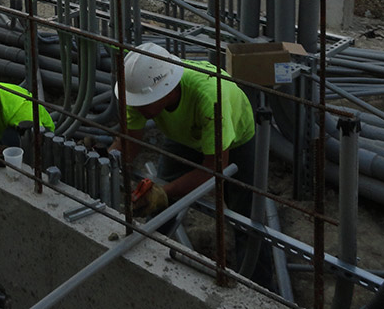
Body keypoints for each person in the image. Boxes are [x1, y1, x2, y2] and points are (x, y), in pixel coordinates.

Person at [109, 42, 271, 287]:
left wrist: (163, 192)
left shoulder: (209, 96)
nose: (136, 107)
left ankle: (260, 287)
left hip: (236, 137)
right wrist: (109, 162)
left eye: (143, 102)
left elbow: (214, 170)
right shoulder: (140, 96)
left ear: (166, 91)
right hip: (184, 136)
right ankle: (153, 259)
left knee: (246, 216)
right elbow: (128, 144)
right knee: (162, 204)